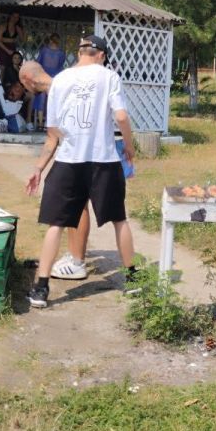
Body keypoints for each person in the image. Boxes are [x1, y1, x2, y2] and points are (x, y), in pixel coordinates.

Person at [24, 35, 138, 307]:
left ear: (79, 53)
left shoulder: (60, 80)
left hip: (68, 161)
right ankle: (133, 280)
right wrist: (130, 147)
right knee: (118, 219)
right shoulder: (109, 76)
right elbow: (121, 116)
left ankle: (41, 288)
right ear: (101, 55)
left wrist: (39, 169)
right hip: (104, 160)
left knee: (57, 224)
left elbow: (53, 135)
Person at [19, 60, 95, 280]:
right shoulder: (64, 84)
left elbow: (52, 138)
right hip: (84, 153)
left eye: (25, 87)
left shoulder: (56, 91)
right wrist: (39, 169)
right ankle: (73, 256)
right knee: (78, 205)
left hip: (78, 156)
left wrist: (38, 169)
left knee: (76, 206)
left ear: (27, 80)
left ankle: (78, 262)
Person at [34, 33, 66, 130]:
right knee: (53, 100)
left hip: (43, 77)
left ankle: (40, 123)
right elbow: (60, 66)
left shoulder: (44, 51)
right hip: (54, 79)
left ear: (50, 40)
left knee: (41, 99)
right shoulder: (61, 53)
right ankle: (50, 123)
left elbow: (38, 63)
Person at [0, 11, 24, 83]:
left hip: (12, 48)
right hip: (2, 48)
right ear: (10, 16)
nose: (15, 19)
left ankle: (11, 85)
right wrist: (7, 49)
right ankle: (0, 87)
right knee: (3, 69)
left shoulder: (17, 28)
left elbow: (22, 39)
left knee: (12, 67)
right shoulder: (3, 26)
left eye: (17, 17)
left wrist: (21, 30)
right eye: (14, 16)